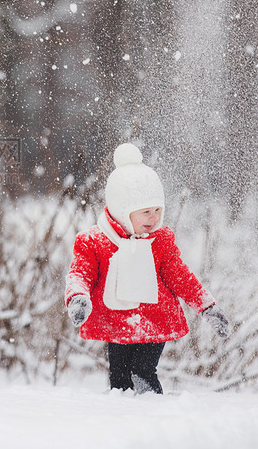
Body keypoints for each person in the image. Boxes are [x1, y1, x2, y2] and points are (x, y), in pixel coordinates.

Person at [65, 143, 229, 394]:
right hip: (116, 321)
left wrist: (207, 307)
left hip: (155, 320)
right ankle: (123, 420)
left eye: (156, 211)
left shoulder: (160, 241)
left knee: (142, 372)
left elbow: (181, 277)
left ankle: (152, 414)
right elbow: (81, 272)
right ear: (122, 210)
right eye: (144, 212)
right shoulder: (95, 241)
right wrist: (78, 296)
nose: (152, 219)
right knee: (119, 379)